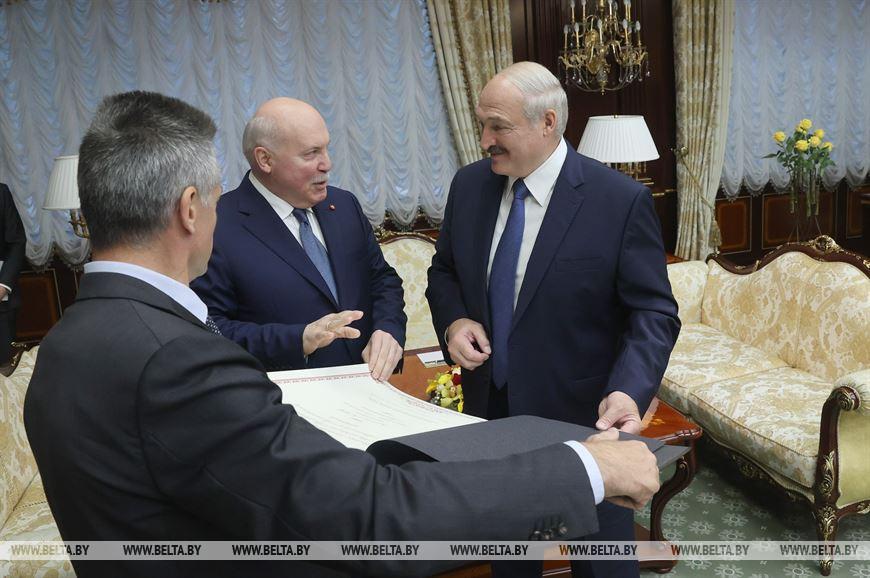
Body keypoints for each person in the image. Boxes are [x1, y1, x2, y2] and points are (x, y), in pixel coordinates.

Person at [24, 91, 661, 578]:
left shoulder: (67, 342)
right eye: (214, 199)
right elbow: (374, 518)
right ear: (191, 209)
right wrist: (583, 468)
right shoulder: (179, 362)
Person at [426, 62, 681, 578]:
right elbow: (444, 271)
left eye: (497, 126)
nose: (484, 140)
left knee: (602, 565)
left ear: (547, 122)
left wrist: (629, 389)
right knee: (510, 560)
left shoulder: (618, 200)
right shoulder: (469, 185)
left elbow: (653, 310)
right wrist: (454, 321)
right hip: (493, 416)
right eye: (482, 125)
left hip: (584, 422)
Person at [191, 98, 404, 380]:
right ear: (265, 160)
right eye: (311, 153)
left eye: (326, 148)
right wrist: (298, 340)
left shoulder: (344, 205)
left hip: (369, 384)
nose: (327, 164)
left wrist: (388, 329)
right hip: (282, 397)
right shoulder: (217, 224)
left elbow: (382, 280)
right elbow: (209, 329)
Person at [0, 182, 26, 367]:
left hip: (1, 302)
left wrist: (3, 286)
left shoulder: (1, 192)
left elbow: (17, 242)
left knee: (4, 368)